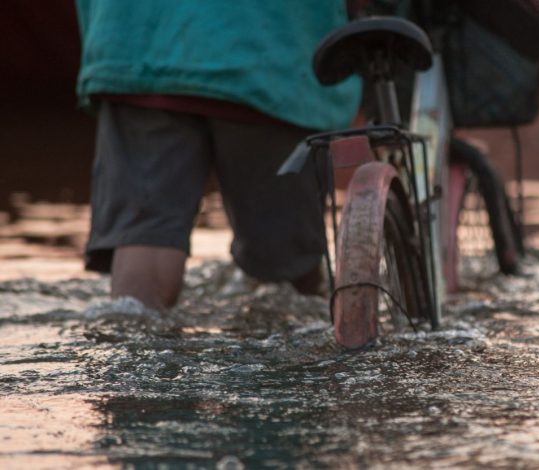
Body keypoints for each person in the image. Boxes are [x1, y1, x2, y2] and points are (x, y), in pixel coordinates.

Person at [76, 1, 361, 310]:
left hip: (136, 48)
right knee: (286, 272)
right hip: (272, 60)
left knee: (145, 239)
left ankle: (133, 329)